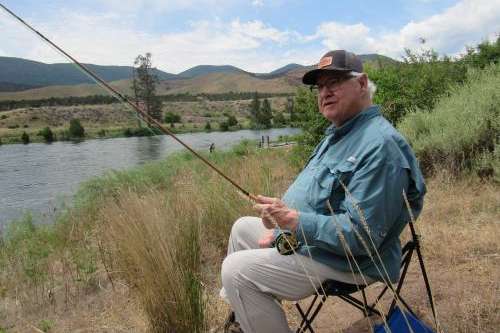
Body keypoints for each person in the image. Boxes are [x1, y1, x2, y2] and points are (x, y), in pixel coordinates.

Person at [220, 50, 426, 333]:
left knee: (236, 271)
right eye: (320, 87)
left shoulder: (381, 147)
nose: (324, 93)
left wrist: (292, 222)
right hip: (313, 243)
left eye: (334, 83)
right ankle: (246, 320)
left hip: (349, 262)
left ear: (362, 83)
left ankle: (248, 308)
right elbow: (318, 199)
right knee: (242, 228)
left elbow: (361, 238)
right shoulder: (338, 134)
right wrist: (280, 221)